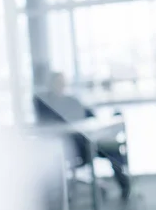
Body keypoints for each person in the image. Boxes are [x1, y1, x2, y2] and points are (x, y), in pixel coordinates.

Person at [34, 72, 131, 201]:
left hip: (86, 143)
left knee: (113, 150)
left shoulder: (71, 101)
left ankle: (125, 187)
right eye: (57, 83)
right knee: (104, 148)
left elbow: (91, 116)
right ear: (51, 85)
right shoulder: (44, 105)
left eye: (63, 83)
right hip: (69, 148)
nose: (61, 86)